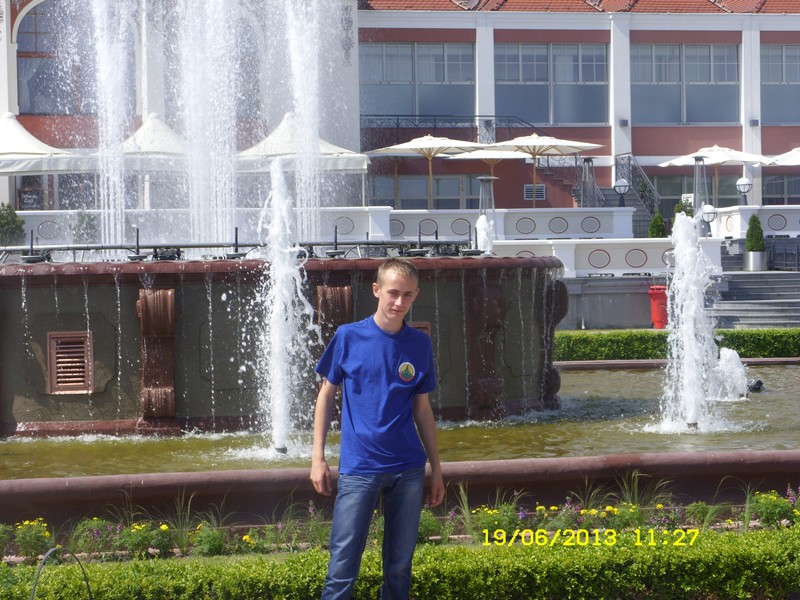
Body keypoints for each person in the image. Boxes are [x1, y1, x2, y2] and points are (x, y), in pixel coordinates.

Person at [310, 257, 445, 600]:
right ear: (376, 290)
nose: (399, 302)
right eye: (393, 293)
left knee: (399, 568)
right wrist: (318, 458)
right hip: (360, 468)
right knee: (342, 569)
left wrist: (436, 468)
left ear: (416, 295)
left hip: (408, 468)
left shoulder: (419, 344)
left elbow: (422, 410)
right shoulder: (348, 336)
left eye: (408, 295)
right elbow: (326, 395)